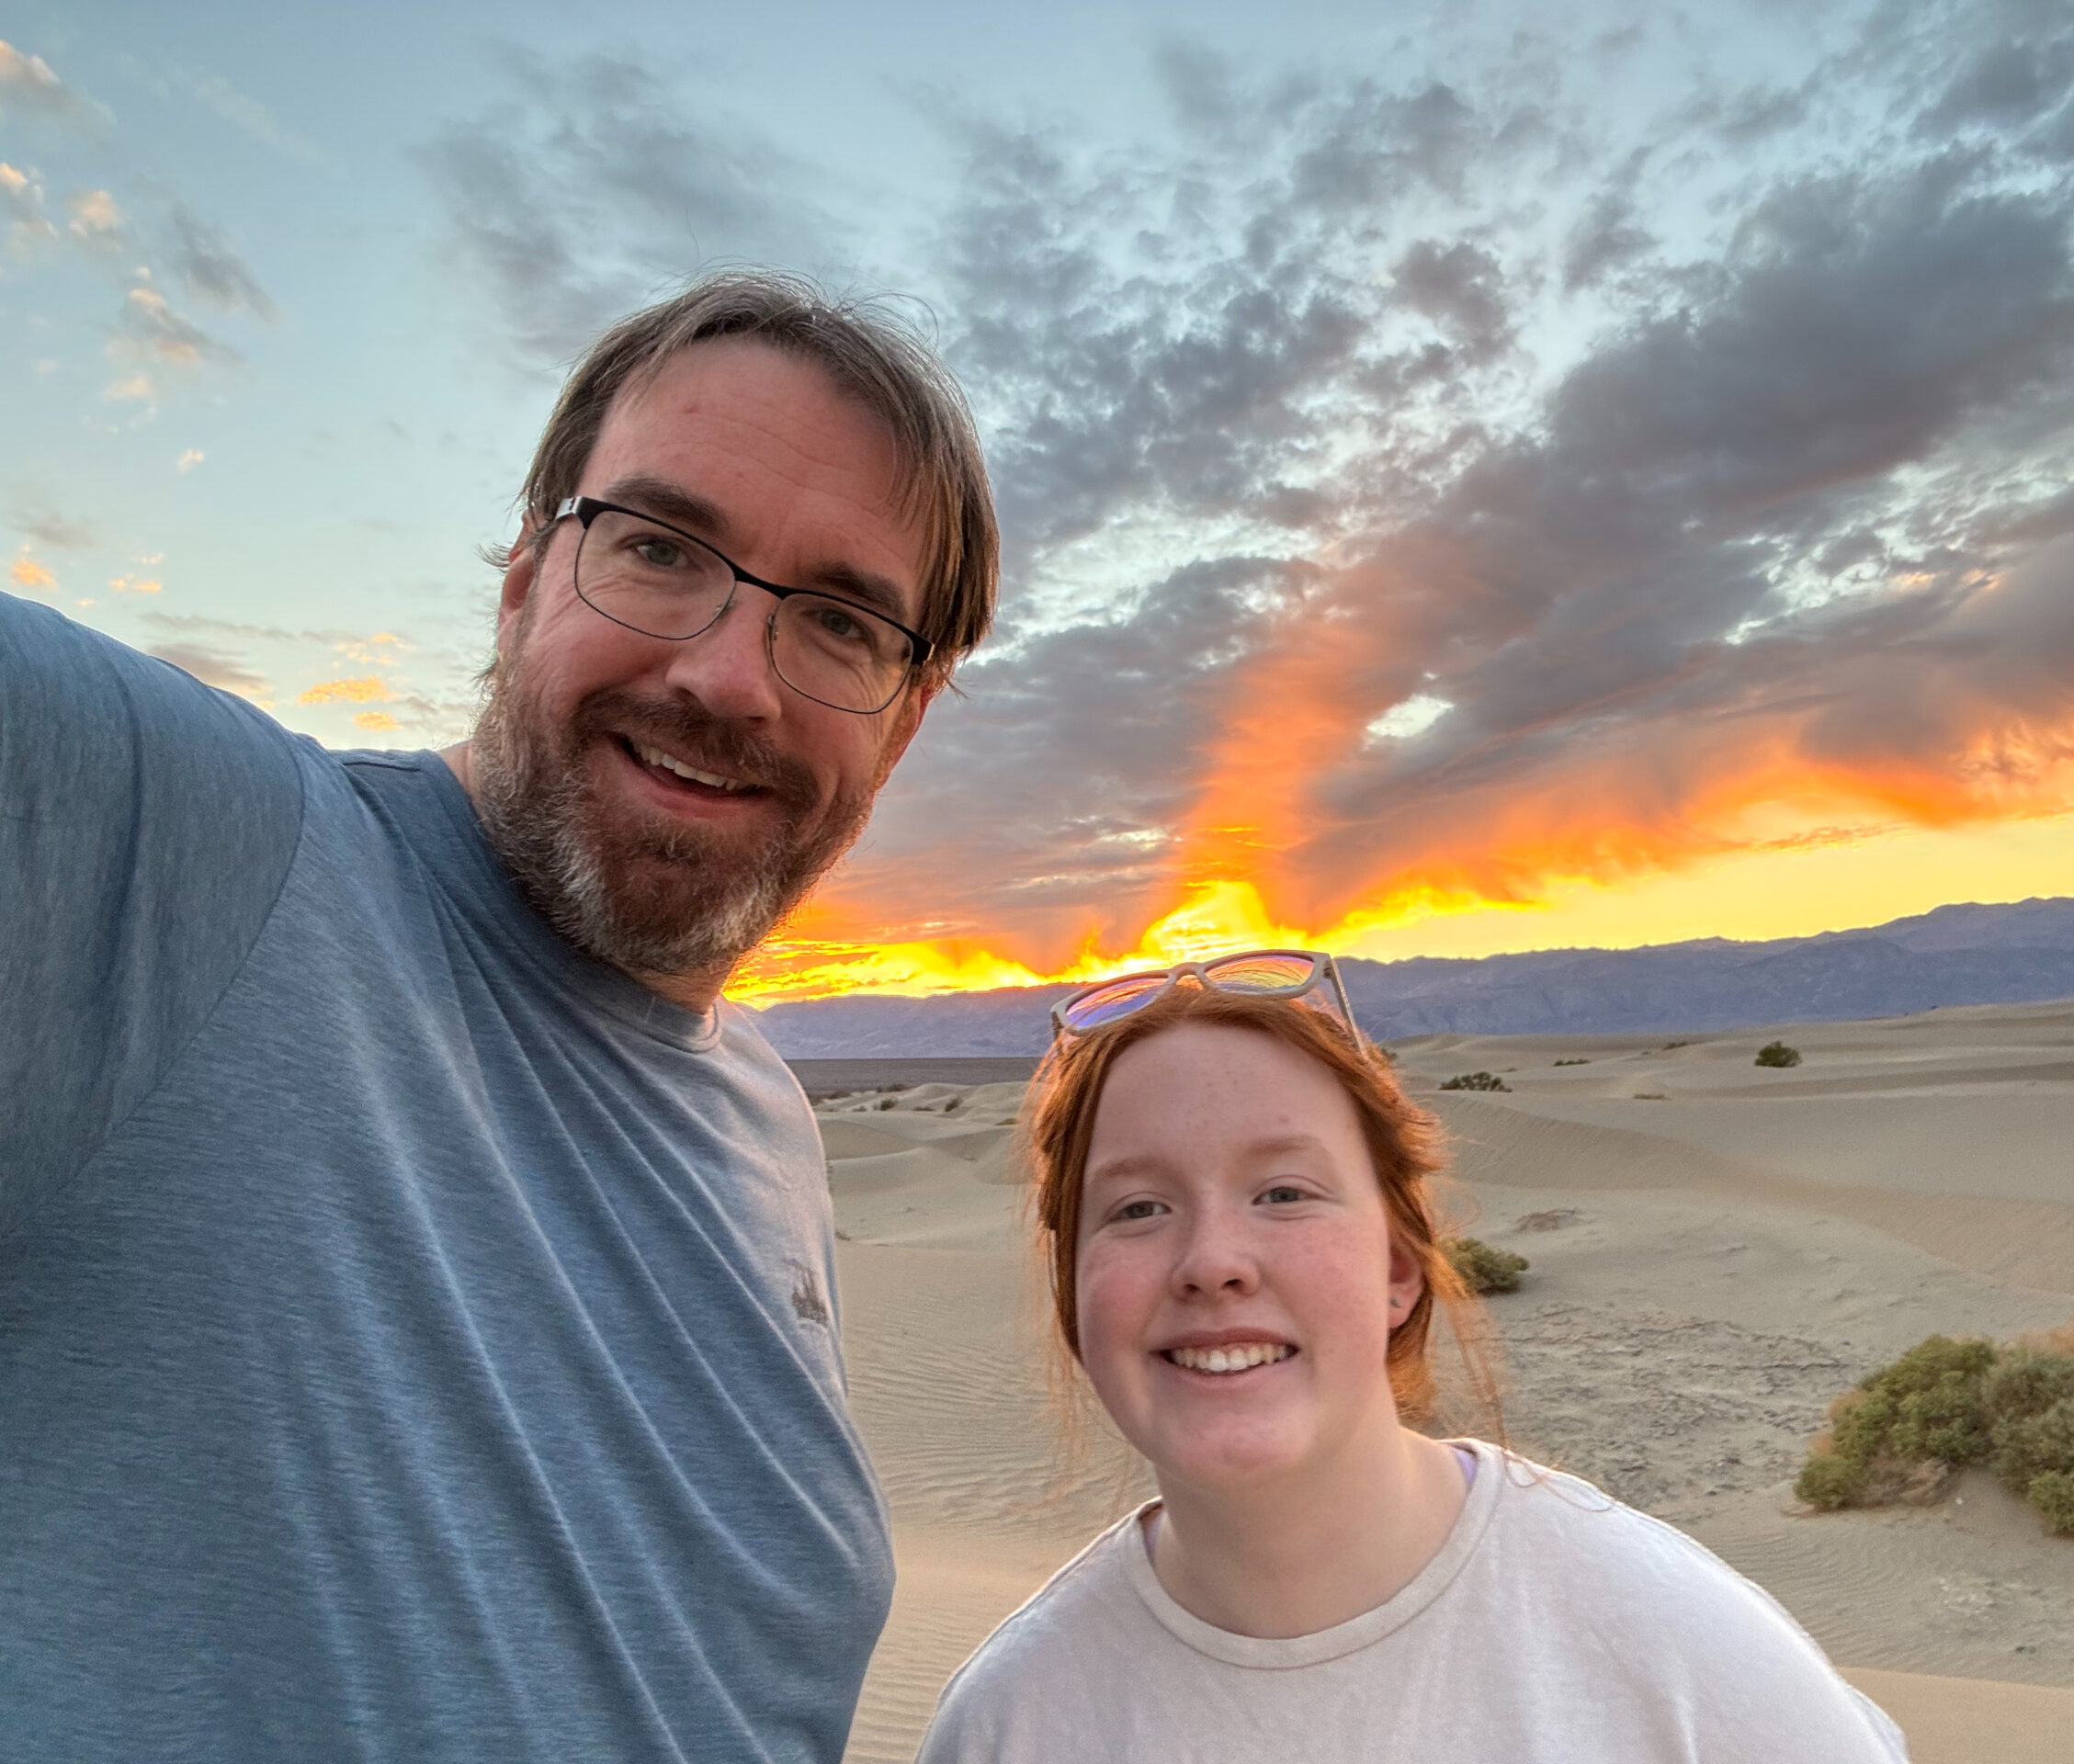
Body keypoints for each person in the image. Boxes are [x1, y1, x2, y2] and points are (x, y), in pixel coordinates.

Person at [0, 271, 996, 1761]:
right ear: (528, 569)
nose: (729, 678)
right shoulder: (192, 846)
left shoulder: (771, 1132)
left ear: (905, 716)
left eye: (843, 623)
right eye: (662, 547)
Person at [916, 952, 1910, 1762]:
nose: (1211, 1261)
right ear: (1073, 1302)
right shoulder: (1011, 1726)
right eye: (1137, 1209)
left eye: (1285, 1193)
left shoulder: (1682, 1663)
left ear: (1398, 1269)